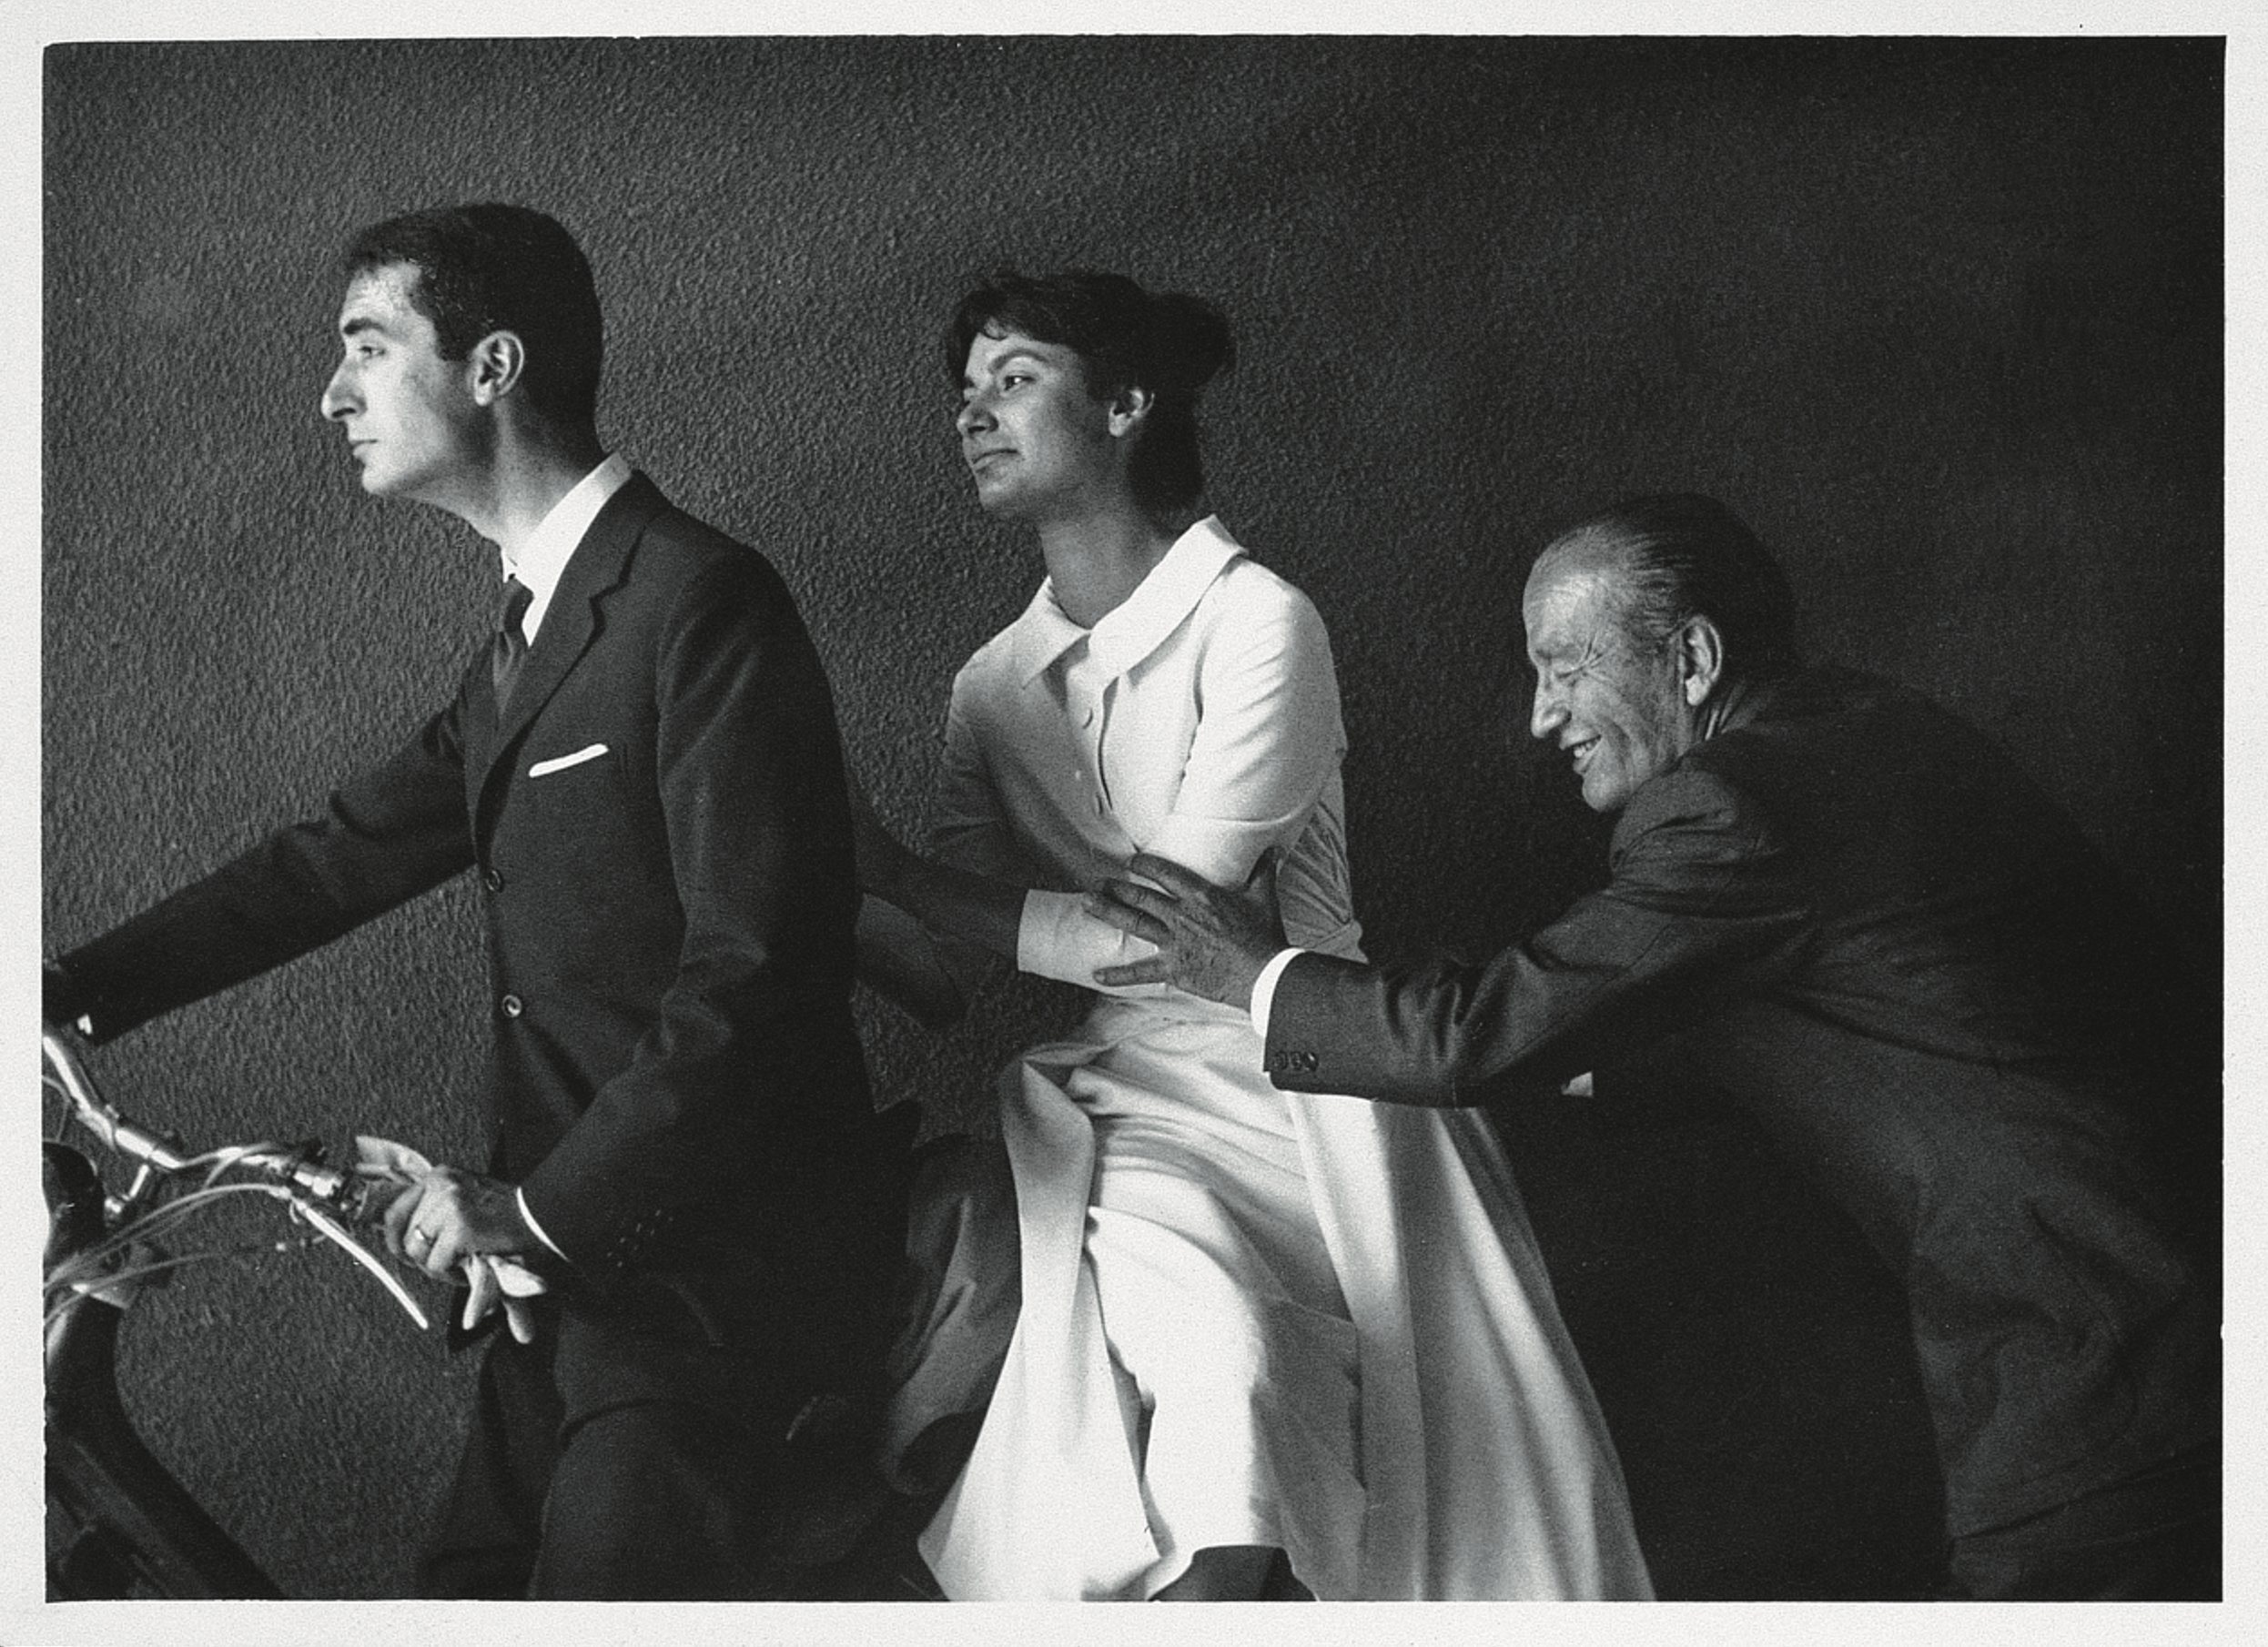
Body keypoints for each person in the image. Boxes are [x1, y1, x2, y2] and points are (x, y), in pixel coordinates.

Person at [1089, 491, 2221, 1601]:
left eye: (1563, 668)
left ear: (1690, 659)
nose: (1541, 718)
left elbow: (1471, 1035)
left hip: (2103, 1363)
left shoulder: (1732, 808)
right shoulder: (1863, 735)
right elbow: (1809, 1016)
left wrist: (1251, 973)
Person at [42, 203, 910, 1600]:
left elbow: (759, 974)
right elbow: (330, 859)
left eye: (368, 348)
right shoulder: (528, 632)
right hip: (561, 1286)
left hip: (707, 1295)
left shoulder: (699, 602)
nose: (333, 393)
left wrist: (545, 1214)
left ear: (492, 365)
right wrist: (59, 992)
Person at [852, 269, 1652, 1602]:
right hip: (1125, 1113)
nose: (973, 418)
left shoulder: (1260, 619)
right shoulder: (990, 687)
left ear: (1123, 403)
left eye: (1014, 380)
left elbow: (1168, 936)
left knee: (1310, 1423)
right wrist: (788, 858)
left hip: (1318, 1086)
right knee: (1212, 1371)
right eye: (966, 394)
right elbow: (936, 972)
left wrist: (890, 867)